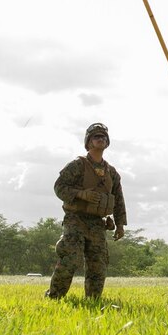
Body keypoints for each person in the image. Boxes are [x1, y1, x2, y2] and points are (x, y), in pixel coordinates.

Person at [46, 122, 127, 300]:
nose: (101, 139)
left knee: (98, 265)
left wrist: (120, 224)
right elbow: (59, 187)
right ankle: (54, 297)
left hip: (97, 223)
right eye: (96, 137)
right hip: (75, 219)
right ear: (88, 142)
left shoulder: (111, 173)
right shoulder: (77, 166)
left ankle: (92, 300)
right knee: (70, 259)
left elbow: (119, 200)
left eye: (104, 137)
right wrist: (81, 194)